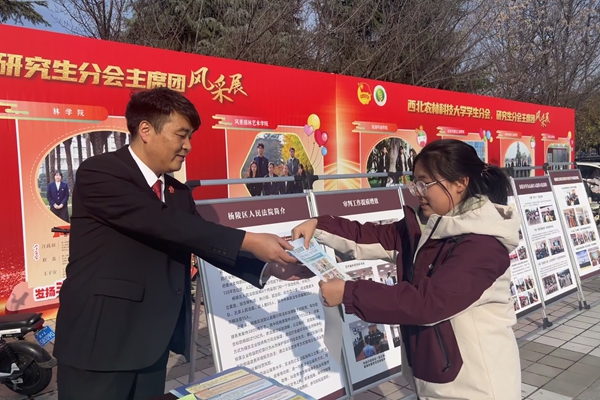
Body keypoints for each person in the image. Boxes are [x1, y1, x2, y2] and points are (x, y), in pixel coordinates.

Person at [54, 88, 311, 400]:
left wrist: (268, 267)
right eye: (181, 135)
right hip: (100, 342)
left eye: (191, 137)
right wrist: (250, 240)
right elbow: (160, 222)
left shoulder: (177, 192)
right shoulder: (101, 172)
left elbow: (199, 240)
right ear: (146, 130)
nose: (187, 146)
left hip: (152, 342)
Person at [292, 139, 521, 400]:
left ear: (460, 183)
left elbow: (428, 303)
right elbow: (368, 236)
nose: (417, 192)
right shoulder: (425, 227)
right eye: (415, 183)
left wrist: (349, 293)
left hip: (476, 386)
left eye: (425, 183)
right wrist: (318, 226)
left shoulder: (482, 245)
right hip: (436, 377)